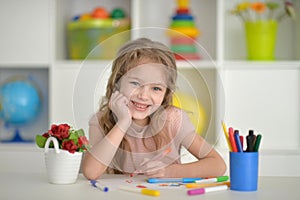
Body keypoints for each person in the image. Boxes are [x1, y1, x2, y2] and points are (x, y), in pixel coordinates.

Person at [82, 38, 226, 180]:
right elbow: (91, 172)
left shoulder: (173, 119)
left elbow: (218, 165)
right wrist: (122, 123)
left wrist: (170, 172)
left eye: (156, 88)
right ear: (117, 82)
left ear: (166, 93)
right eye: (135, 83)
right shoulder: (101, 121)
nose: (144, 96)